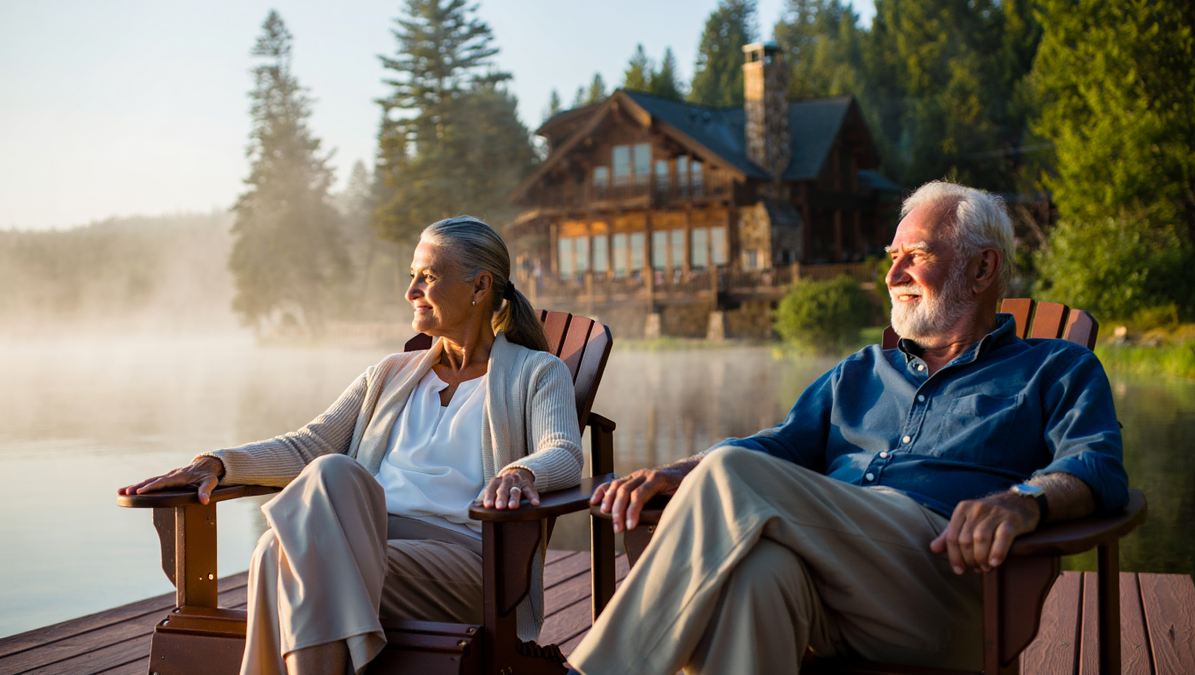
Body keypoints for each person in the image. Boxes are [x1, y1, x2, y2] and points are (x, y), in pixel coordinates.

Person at [569, 181, 1129, 675]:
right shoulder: (862, 371)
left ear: (983, 269)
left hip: (947, 582)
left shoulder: (1055, 368)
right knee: (758, 576)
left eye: (916, 255)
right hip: (839, 594)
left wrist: (1023, 500)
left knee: (733, 471)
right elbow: (782, 445)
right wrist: (677, 471)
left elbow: (1096, 465)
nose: (893, 274)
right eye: (892, 256)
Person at [119, 216, 583, 675]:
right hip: (365, 541)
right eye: (411, 277)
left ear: (480, 286)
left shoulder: (536, 373)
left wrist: (521, 472)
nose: (411, 292)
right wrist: (216, 464)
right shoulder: (391, 374)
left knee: (300, 521)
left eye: (428, 277)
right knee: (298, 522)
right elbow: (309, 445)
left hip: (467, 563)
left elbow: (562, 451)